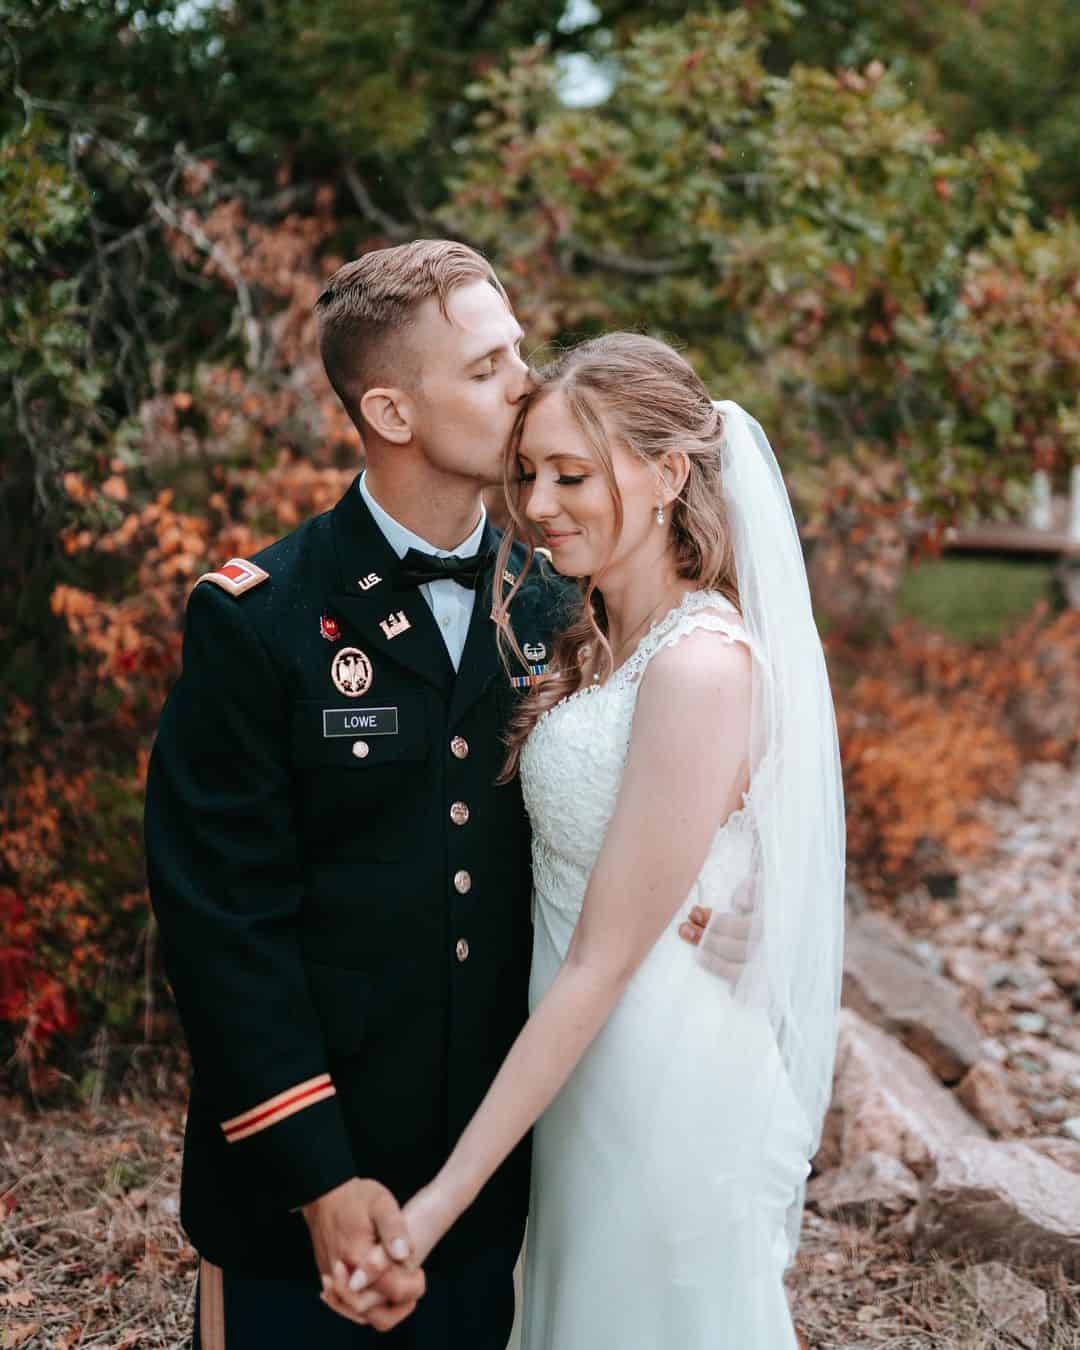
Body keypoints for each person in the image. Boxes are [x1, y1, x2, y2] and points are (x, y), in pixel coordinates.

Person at [144, 243, 738, 1349]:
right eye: (485, 367)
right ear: (391, 409)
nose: (524, 383)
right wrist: (321, 1176)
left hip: (498, 1188)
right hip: (300, 1193)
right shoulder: (258, 620)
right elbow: (221, 926)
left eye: (519, 350)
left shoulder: (570, 596)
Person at [367, 333, 846, 1348]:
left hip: (658, 1083)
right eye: (530, 472)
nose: (538, 503)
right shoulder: (593, 640)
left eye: (574, 474)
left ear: (670, 473)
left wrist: (438, 1203)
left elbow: (597, 960)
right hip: (583, 1078)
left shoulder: (698, 667)